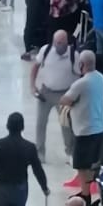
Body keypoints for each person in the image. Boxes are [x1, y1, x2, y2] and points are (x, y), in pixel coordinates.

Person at [60, 51, 103, 195]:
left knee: (81, 165)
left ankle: (85, 193)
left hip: (84, 130)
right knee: (93, 163)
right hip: (100, 128)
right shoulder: (100, 78)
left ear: (81, 64)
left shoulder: (81, 83)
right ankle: (92, 188)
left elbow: (65, 100)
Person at [30, 30, 80, 162]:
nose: (60, 45)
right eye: (57, 43)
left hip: (64, 94)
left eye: (62, 43)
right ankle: (40, 153)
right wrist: (33, 85)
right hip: (45, 92)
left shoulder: (74, 55)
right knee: (40, 123)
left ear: (67, 42)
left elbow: (80, 76)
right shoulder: (45, 51)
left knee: (66, 125)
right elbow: (35, 67)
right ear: (53, 42)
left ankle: (70, 152)